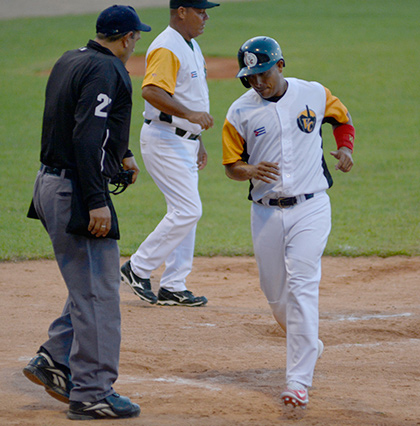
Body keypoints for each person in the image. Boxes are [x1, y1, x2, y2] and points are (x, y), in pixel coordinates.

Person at [23, 5, 151, 420]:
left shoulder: (71, 58)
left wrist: (123, 154)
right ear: (128, 38)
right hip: (76, 191)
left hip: (49, 183)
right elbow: (87, 134)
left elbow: (72, 120)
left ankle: (54, 358)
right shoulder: (107, 70)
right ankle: (92, 392)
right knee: (99, 296)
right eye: (136, 38)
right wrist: (97, 199)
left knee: (90, 283)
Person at [222, 36, 355, 409]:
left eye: (263, 73)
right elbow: (232, 166)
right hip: (265, 212)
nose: (258, 83)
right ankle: (308, 340)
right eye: (251, 77)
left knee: (301, 286)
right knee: (276, 293)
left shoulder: (313, 93)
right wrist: (249, 169)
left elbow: (342, 120)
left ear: (280, 66)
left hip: (311, 208)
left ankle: (298, 381)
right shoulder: (240, 112)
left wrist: (345, 149)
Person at [121, 0, 219, 307]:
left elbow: (188, 94)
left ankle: (174, 284)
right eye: (200, 11)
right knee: (188, 210)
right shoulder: (167, 46)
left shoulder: (189, 45)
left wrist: (196, 137)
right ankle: (137, 268)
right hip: (164, 140)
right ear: (181, 12)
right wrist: (189, 116)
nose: (205, 17)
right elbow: (151, 91)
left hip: (183, 141)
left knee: (184, 212)